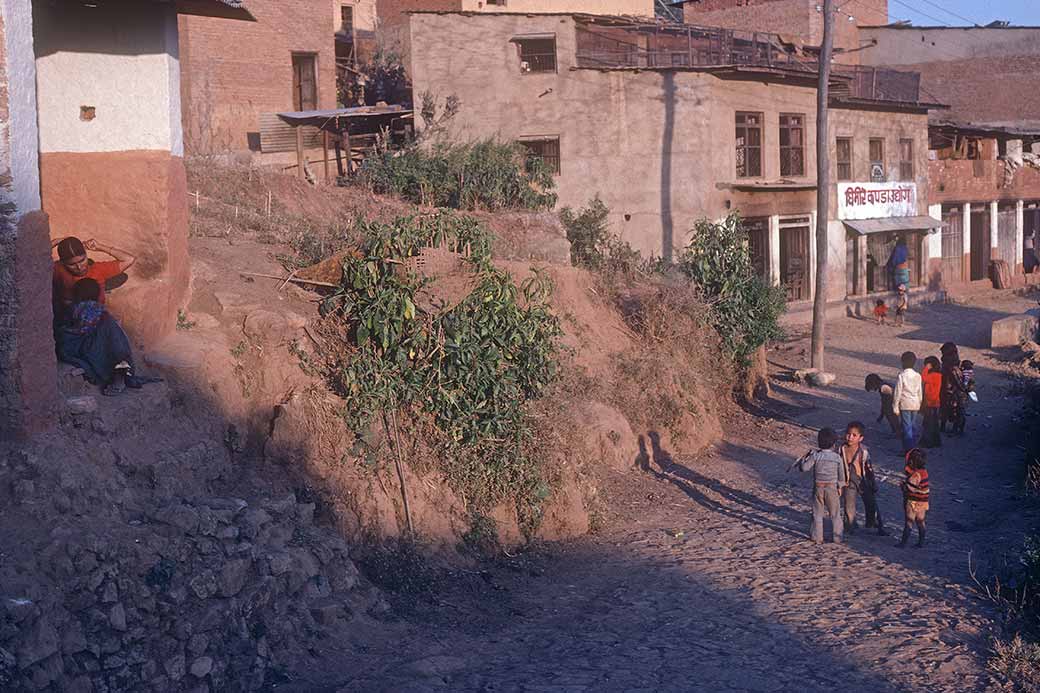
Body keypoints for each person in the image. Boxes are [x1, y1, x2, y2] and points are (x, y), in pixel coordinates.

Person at [56, 278, 158, 396]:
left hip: (75, 346)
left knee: (109, 328)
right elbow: (82, 329)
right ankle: (121, 370)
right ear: (97, 294)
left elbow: (68, 329)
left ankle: (119, 370)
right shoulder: (98, 310)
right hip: (84, 346)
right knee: (111, 329)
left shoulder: (72, 308)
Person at [52, 236, 135, 327]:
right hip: (68, 313)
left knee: (121, 277)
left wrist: (100, 247)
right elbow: (35, 261)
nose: (79, 267)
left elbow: (129, 259)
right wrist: (56, 241)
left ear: (86, 255)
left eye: (82, 260)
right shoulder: (58, 269)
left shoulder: (97, 270)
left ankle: (101, 289)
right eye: (72, 264)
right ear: (63, 263)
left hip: (95, 313)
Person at [798, 427, 847, 545]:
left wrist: (804, 459)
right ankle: (837, 537)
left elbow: (804, 468)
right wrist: (840, 486)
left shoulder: (815, 456)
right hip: (832, 488)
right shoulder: (837, 458)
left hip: (818, 487)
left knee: (817, 514)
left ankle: (817, 537)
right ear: (834, 444)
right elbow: (842, 476)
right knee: (835, 514)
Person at [839, 421, 886, 536]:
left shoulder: (863, 451)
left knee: (870, 503)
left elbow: (869, 468)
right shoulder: (841, 449)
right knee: (849, 505)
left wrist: (873, 483)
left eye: (854, 435)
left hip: (863, 481)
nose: (850, 437)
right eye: (848, 434)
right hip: (848, 481)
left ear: (861, 438)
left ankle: (872, 524)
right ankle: (849, 526)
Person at [898, 448, 929, 548]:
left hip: (912, 501)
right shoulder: (924, 472)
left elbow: (909, 488)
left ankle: (903, 543)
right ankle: (921, 542)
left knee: (909, 522)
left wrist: (902, 486)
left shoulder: (915, 475)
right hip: (923, 502)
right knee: (921, 522)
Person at [893, 351, 922, 453]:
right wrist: (920, 402)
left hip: (905, 404)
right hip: (915, 403)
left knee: (906, 427)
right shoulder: (918, 375)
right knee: (913, 426)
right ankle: (913, 446)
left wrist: (895, 406)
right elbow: (920, 391)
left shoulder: (901, 375)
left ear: (903, 362)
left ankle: (908, 449)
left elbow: (898, 392)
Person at [940, 342, 967, 435]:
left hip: (950, 392)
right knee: (954, 410)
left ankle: (948, 427)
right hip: (951, 392)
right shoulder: (952, 365)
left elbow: (959, 382)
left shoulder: (950, 366)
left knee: (950, 409)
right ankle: (954, 428)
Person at [920, 356, 942, 448]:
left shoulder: (934, 375)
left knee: (928, 423)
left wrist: (926, 369)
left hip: (930, 403)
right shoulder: (939, 375)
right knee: (934, 423)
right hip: (935, 403)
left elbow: (923, 378)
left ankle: (928, 442)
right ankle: (936, 441)